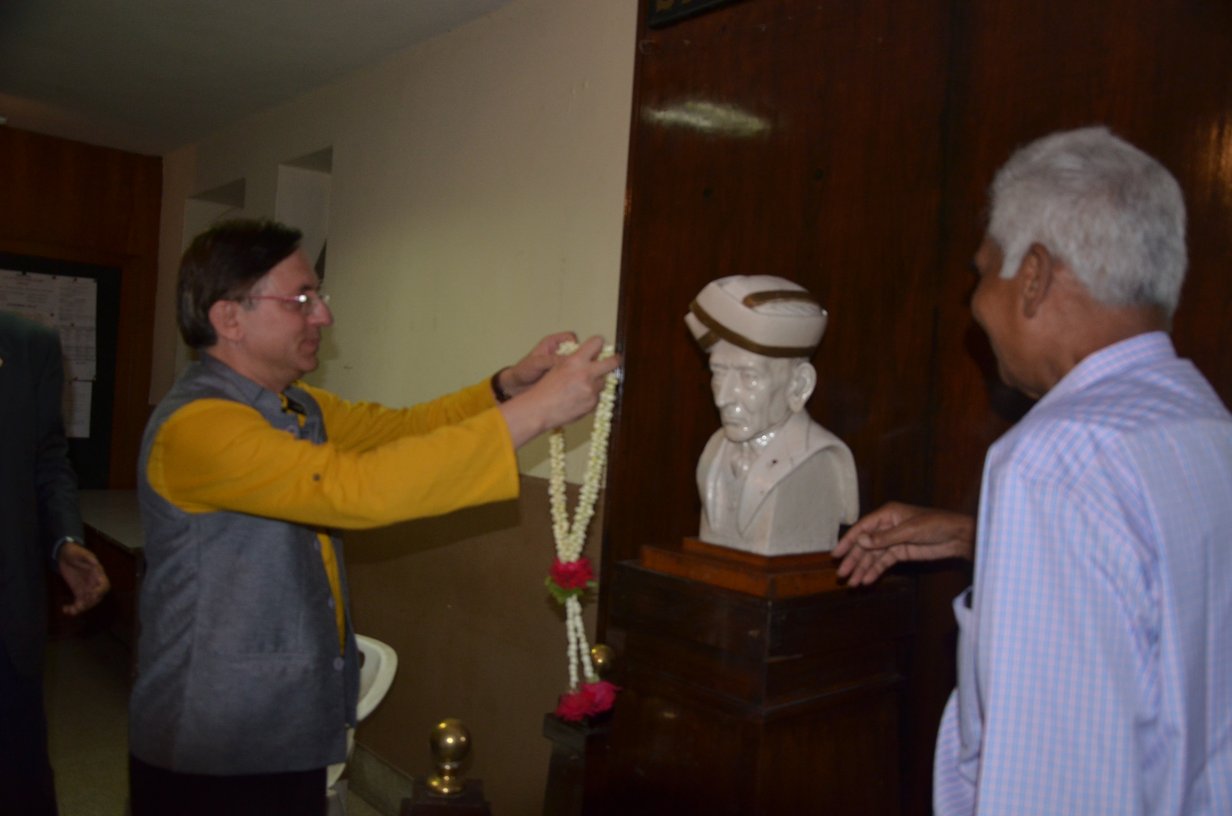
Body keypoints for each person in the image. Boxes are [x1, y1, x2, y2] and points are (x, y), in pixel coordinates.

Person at [128, 218, 621, 815]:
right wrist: (537, 412)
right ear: (230, 318)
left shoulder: (296, 405)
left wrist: (508, 388)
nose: (323, 315)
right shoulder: (198, 426)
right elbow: (360, 489)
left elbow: (401, 430)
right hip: (214, 737)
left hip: (284, 723)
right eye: (301, 299)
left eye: (319, 296)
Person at [833, 127, 1232, 814]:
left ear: (1035, 275)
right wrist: (982, 539)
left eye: (984, 272)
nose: (975, 306)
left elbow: (1053, 779)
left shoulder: (1051, 461)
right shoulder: (1206, 426)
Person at [0, 309, 111, 816]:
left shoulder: (28, 346)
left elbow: (48, 459)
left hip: (7, 611)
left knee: (18, 780)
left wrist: (64, 540)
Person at [685, 275, 857, 555]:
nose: (722, 397)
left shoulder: (820, 460)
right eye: (718, 373)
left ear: (799, 385)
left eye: (749, 377)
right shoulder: (714, 450)